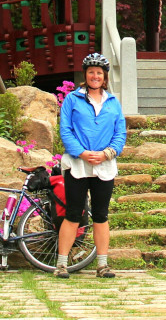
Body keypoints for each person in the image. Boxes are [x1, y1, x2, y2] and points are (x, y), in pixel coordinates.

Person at [55, 52, 126, 279]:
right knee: (73, 213)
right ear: (85, 75)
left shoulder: (113, 103)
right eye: (91, 72)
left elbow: (120, 133)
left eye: (99, 73)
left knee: (101, 215)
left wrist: (107, 153)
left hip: (104, 165)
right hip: (78, 164)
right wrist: (82, 153)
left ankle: (102, 264)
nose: (95, 76)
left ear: (104, 77)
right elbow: (65, 130)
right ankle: (62, 264)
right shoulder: (72, 100)